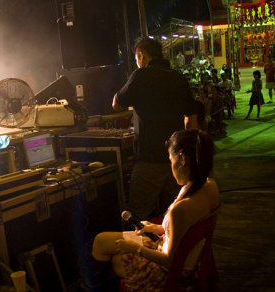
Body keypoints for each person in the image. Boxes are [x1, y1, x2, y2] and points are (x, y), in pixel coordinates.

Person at [92, 129, 220, 292]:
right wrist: (154, 228)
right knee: (102, 241)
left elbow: (170, 261)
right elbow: (184, 230)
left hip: (169, 272)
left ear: (181, 158)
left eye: (170, 159)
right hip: (177, 253)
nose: (170, 166)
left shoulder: (181, 209)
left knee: (111, 256)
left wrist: (135, 249)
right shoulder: (209, 186)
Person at [112, 37, 198, 221]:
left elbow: (117, 104)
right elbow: (192, 116)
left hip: (149, 160)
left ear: (141, 55)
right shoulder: (178, 77)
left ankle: (141, 249)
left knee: (137, 216)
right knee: (174, 213)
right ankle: (171, 248)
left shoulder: (141, 75)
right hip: (176, 160)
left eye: (136, 58)